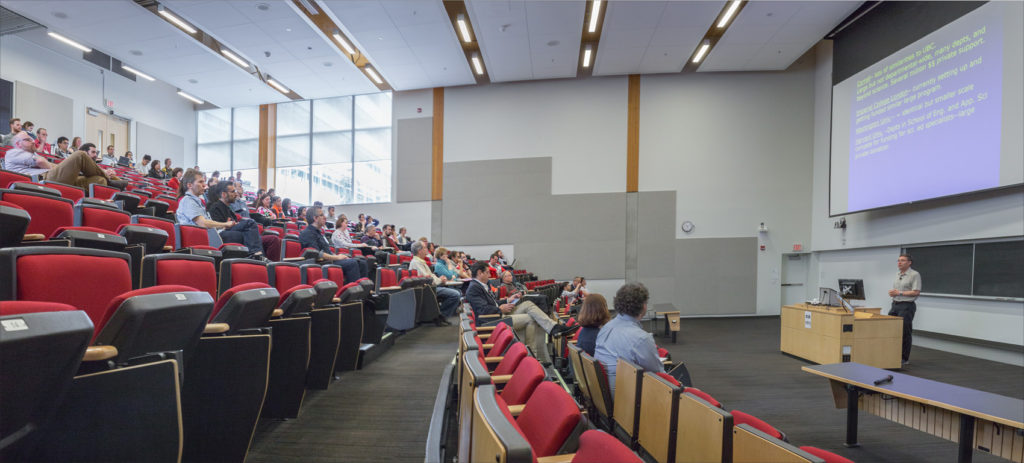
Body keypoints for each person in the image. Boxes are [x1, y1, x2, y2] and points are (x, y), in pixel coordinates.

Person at [466, 261, 578, 363]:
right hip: (492, 320)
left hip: (498, 313)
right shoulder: (473, 288)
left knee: (528, 304)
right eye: (487, 272)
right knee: (530, 319)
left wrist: (507, 300)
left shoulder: (481, 285)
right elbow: (482, 310)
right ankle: (532, 357)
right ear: (480, 273)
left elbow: (492, 303)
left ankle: (553, 328)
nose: (490, 275)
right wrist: (500, 309)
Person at [176, 169, 269, 261]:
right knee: (247, 228)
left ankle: (255, 258)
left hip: (211, 234)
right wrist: (225, 224)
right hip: (202, 237)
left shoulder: (197, 202)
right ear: (189, 185)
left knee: (248, 232)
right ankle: (257, 258)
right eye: (200, 182)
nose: (204, 185)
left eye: (204, 182)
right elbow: (202, 223)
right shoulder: (187, 201)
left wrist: (223, 227)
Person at [594, 283, 664, 394]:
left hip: (605, 395)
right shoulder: (641, 338)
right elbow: (659, 376)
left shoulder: (605, 328)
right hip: (628, 399)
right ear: (643, 306)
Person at [3, 132, 124, 189]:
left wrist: (64, 169)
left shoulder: (31, 154)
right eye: (28, 140)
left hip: (51, 177)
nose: (33, 141)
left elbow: (46, 163)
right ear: (18, 144)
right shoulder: (13, 153)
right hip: (43, 180)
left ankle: (109, 180)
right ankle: (111, 179)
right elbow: (41, 162)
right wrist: (60, 168)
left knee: (99, 180)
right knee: (80, 155)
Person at [205, 180, 280, 261]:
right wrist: (227, 224)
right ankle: (256, 254)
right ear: (223, 194)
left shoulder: (229, 209)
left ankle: (271, 266)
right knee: (250, 223)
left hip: (233, 230)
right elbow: (217, 228)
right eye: (233, 192)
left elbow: (236, 223)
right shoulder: (215, 207)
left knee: (273, 239)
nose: (236, 194)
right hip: (223, 232)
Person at [298, 206, 367, 283]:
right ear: (315, 218)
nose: (325, 217)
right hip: (321, 263)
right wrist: (337, 257)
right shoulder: (307, 233)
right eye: (322, 215)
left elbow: (327, 250)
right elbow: (317, 254)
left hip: (329, 259)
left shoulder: (319, 233)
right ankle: (354, 291)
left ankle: (363, 292)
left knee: (362, 263)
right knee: (352, 263)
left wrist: (338, 256)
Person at [408, 241, 462, 324]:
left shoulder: (420, 261)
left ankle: (440, 315)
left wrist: (440, 279)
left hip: (432, 286)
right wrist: (440, 280)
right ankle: (440, 315)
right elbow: (427, 278)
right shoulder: (416, 263)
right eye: (425, 248)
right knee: (455, 295)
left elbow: (431, 276)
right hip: (427, 289)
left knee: (456, 293)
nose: (427, 250)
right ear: (419, 251)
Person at [888, 253, 921, 366]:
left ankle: (904, 358)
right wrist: (893, 293)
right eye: (898, 260)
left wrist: (900, 293)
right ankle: (892, 354)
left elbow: (916, 292)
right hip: (895, 304)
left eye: (902, 260)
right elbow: (898, 291)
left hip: (907, 306)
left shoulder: (914, 274)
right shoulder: (898, 274)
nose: (899, 262)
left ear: (909, 262)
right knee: (890, 329)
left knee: (905, 332)